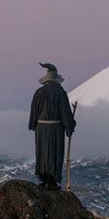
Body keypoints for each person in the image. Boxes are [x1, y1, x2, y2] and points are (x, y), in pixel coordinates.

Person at [28, 62, 76, 190]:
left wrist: (33, 124)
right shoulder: (60, 93)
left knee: (42, 152)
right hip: (55, 128)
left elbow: (34, 111)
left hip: (41, 129)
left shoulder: (38, 92)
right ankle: (52, 181)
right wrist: (70, 126)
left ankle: (44, 178)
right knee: (55, 152)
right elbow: (65, 112)